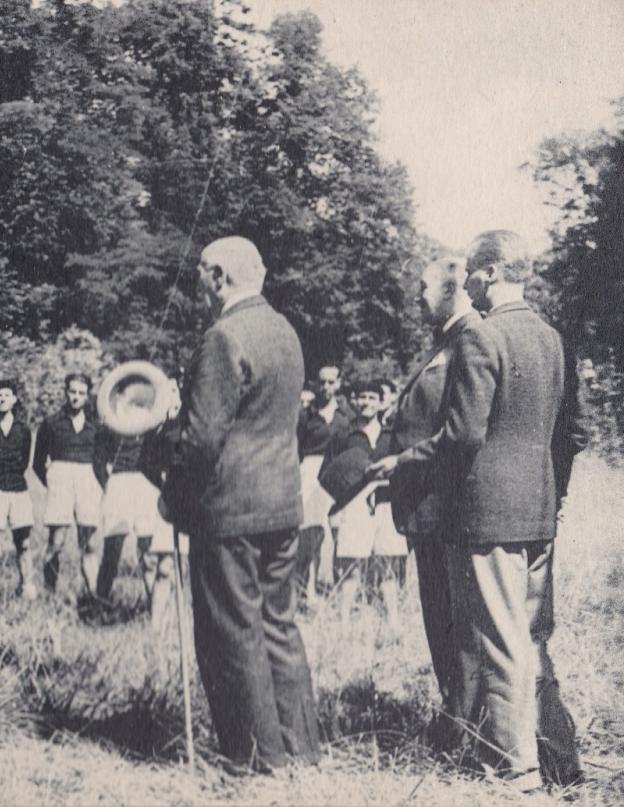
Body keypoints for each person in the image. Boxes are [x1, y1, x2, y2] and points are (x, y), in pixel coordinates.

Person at [370, 230, 585, 789]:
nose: (465, 283)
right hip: (538, 513)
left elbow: (463, 434)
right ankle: (556, 759)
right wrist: (551, 494)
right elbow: (571, 432)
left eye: (471, 274)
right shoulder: (552, 338)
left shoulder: (482, 339)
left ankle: (514, 769)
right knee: (532, 637)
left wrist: (401, 463)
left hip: (487, 516)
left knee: (499, 641)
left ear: (490, 273)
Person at [163, 236, 320, 772]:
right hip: (282, 504)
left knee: (233, 633)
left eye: (201, 277)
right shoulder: (286, 331)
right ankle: (300, 752)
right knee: (278, 625)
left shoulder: (222, 336)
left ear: (218, 278)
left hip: (229, 509)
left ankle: (254, 759)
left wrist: (173, 497)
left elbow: (204, 438)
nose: (199, 289)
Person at [386, 256, 480, 728]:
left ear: (452, 290)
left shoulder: (469, 341)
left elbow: (459, 432)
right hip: (425, 509)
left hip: (447, 510)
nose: (417, 295)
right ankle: (455, 717)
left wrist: (402, 461)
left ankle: (462, 726)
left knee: (453, 624)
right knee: (439, 620)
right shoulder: (443, 342)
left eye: (424, 287)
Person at [318, 379, 404, 631]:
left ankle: (393, 621)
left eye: (371, 397)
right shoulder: (344, 434)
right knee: (351, 566)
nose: (366, 402)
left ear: (380, 403)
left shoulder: (393, 434)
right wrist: (336, 509)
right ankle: (344, 622)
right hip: (354, 503)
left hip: (386, 503)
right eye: (362, 397)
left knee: (387, 564)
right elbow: (327, 472)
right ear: (355, 401)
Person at [96, 425, 187, 629]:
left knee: (150, 554)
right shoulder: (115, 416)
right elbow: (98, 456)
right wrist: (107, 484)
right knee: (113, 548)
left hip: (149, 484)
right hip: (121, 480)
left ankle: (155, 610)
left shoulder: (159, 423)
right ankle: (100, 606)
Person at [33, 373, 108, 598]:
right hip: (60, 478)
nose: (76, 397)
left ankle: (93, 595)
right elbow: (38, 463)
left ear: (88, 395)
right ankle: (49, 594)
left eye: (81, 393)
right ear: (65, 392)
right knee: (56, 542)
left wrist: (101, 487)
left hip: (87, 481)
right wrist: (54, 484)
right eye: (72, 391)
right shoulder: (52, 423)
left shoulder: (96, 426)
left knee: (90, 543)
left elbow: (101, 461)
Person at [296, 364, 350, 598]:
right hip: (310, 475)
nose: (326, 387)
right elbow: (296, 448)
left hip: (337, 473)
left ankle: (339, 588)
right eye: (322, 382)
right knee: (311, 532)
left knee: (338, 530)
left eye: (331, 382)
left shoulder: (346, 416)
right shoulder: (306, 415)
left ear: (338, 383)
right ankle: (308, 589)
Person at [0, 379, 36, 600]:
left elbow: (25, 461)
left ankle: (27, 586)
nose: (2, 399)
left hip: (18, 489)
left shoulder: (23, 429)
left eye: (6, 395)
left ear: (14, 399)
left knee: (23, 542)